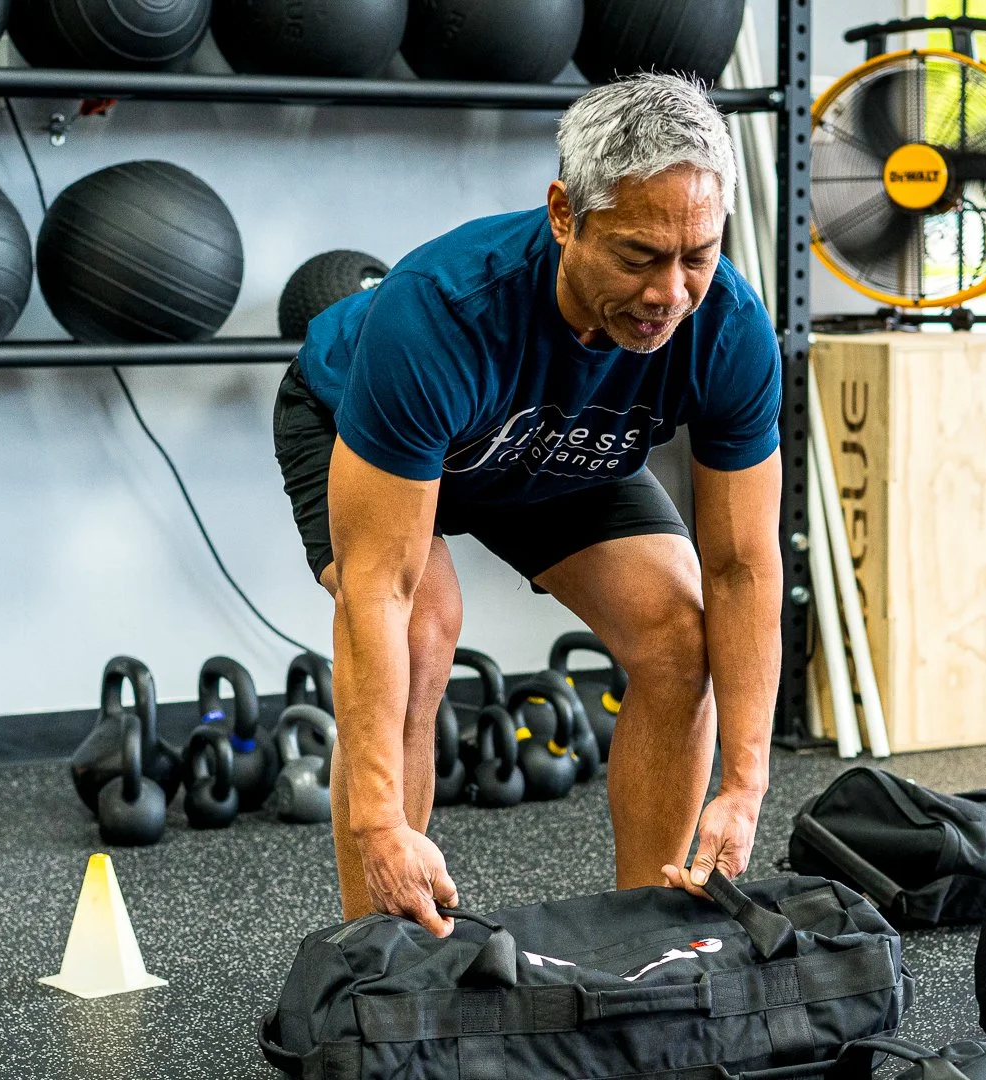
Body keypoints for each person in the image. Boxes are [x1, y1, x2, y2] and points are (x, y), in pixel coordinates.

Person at [273, 74, 783, 937]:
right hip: (360, 419)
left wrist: (743, 784)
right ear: (563, 214)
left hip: (561, 443)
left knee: (678, 632)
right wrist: (377, 823)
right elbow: (381, 595)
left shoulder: (726, 328)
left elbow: (741, 566)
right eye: (637, 256)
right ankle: (380, 964)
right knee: (425, 629)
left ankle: (641, 943)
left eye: (696, 255)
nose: (669, 293)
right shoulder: (441, 314)